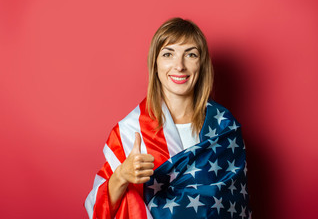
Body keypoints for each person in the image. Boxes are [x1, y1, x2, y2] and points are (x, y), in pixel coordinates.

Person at [85, 18, 251, 219]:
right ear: (155, 64)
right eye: (168, 54)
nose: (179, 66)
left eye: (190, 54)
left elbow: (236, 205)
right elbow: (94, 207)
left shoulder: (225, 126)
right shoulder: (130, 130)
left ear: (202, 64)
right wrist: (121, 176)